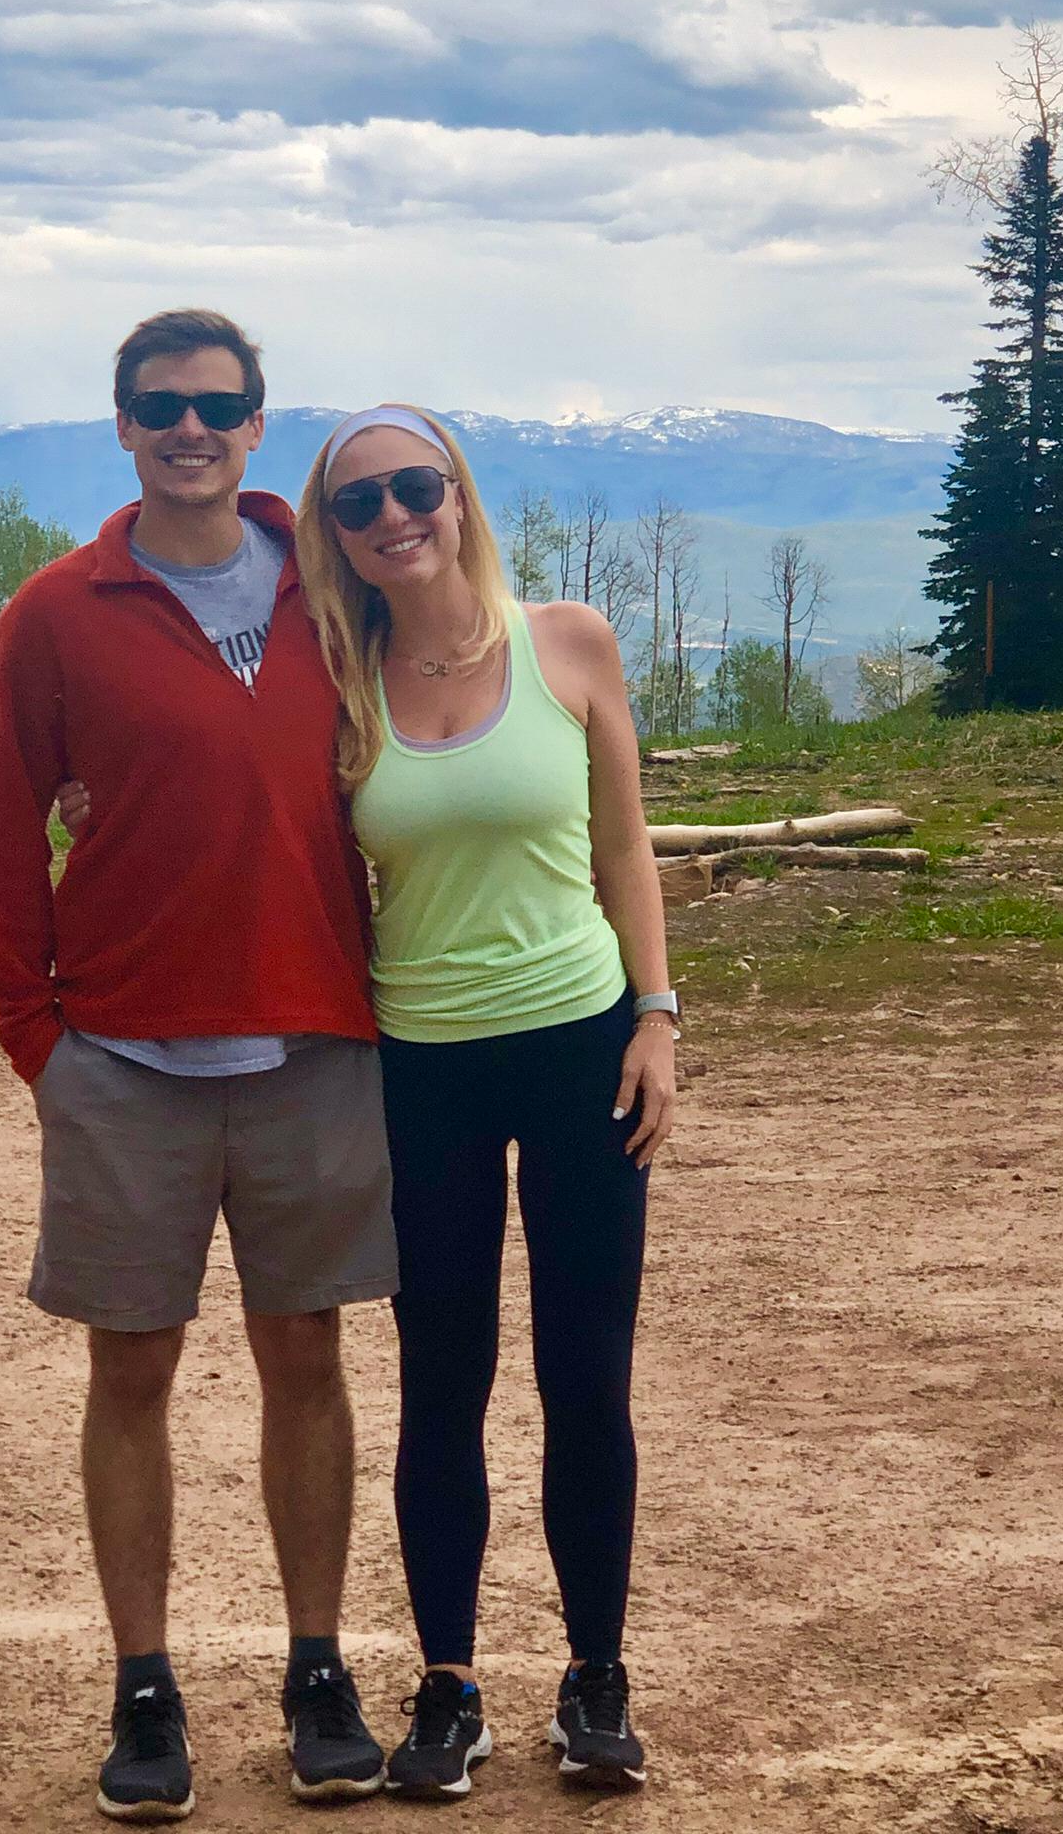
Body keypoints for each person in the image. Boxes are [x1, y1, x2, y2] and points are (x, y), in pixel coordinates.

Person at [0, 311, 397, 1823]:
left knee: (308, 1357)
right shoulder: (54, 612)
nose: (189, 429)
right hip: (123, 1060)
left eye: (217, 405)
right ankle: (143, 1686)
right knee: (130, 1369)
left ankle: (317, 1670)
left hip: (313, 1044)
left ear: (258, 423)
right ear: (125, 426)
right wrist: (40, 1044)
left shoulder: (336, 586)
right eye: (160, 407)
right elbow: (6, 835)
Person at [291, 405, 677, 1799]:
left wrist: (658, 1017)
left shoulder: (570, 643)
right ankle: (448, 1687)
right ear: (336, 537)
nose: (394, 515)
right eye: (359, 503)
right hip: (423, 1068)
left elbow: (624, 845)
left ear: (458, 496)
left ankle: (596, 1678)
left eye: (416, 485)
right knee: (441, 1383)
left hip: (584, 1051)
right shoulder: (340, 686)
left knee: (587, 1375)